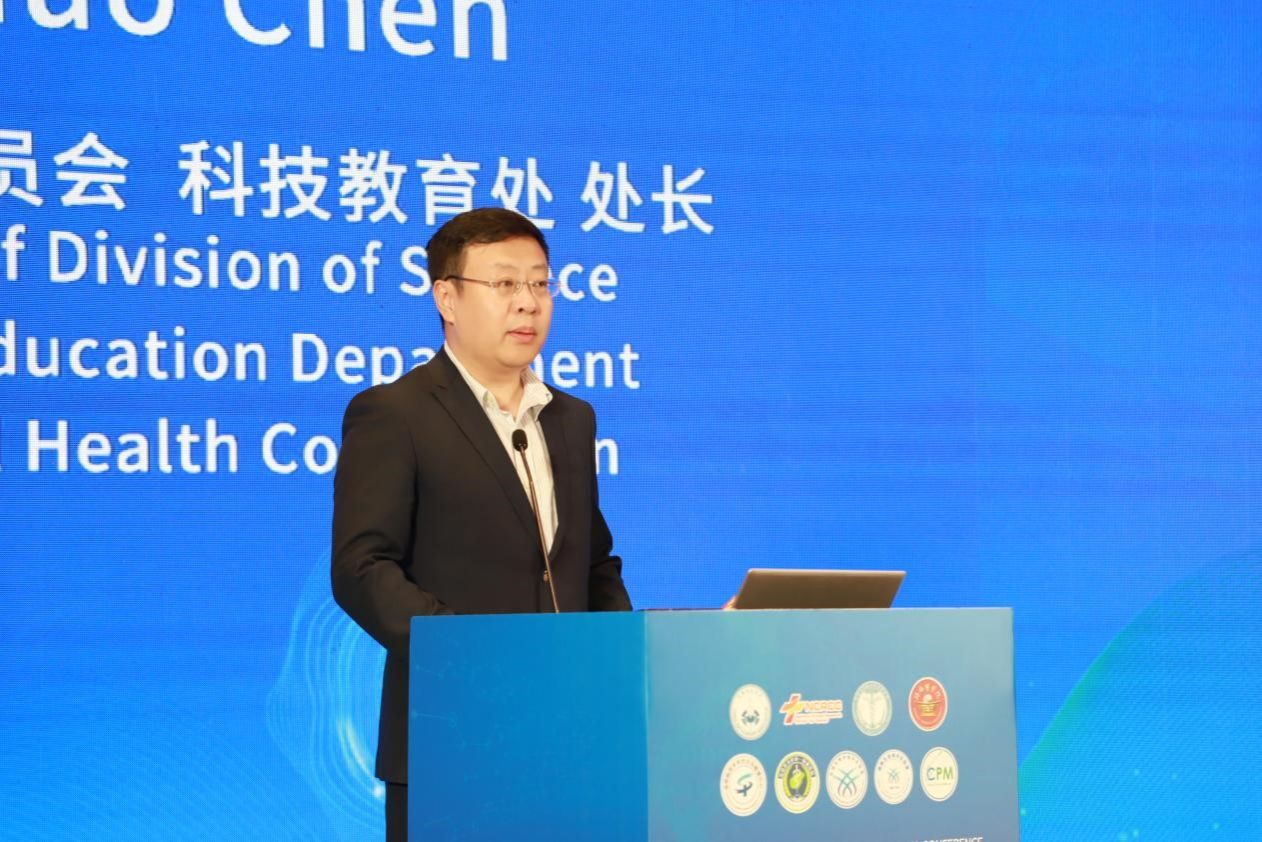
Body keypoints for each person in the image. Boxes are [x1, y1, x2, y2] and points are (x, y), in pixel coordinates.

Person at [331, 207, 632, 842]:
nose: (528, 302)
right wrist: (472, 654)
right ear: (447, 298)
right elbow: (362, 569)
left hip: (570, 740)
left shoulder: (571, 419)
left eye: (540, 283)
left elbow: (592, 564)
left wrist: (622, 659)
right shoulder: (396, 413)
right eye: (504, 284)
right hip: (453, 738)